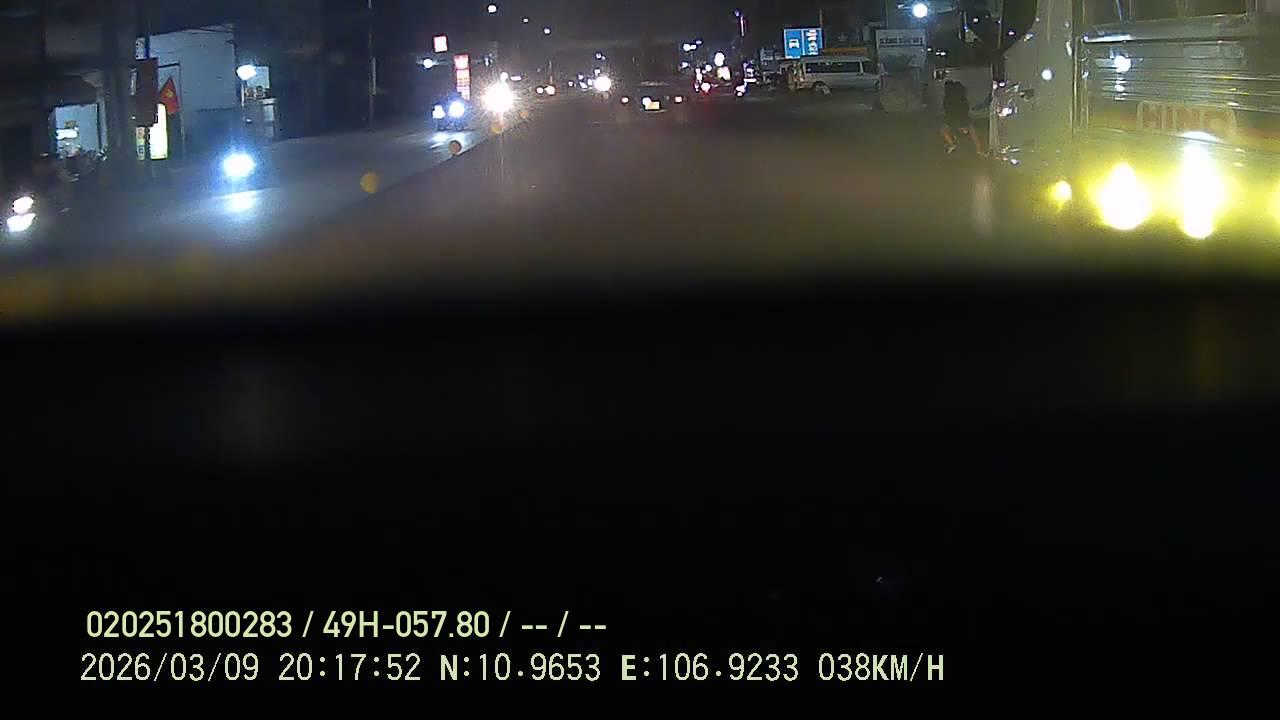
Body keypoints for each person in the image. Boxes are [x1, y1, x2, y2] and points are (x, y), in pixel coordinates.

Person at [941, 81, 985, 156]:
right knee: (973, 133)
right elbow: (966, 109)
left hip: (952, 121)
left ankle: (952, 144)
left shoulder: (947, 99)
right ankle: (979, 150)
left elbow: (947, 111)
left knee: (943, 130)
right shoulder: (962, 98)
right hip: (964, 120)